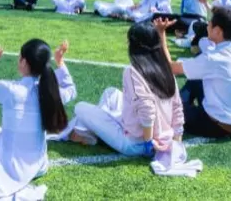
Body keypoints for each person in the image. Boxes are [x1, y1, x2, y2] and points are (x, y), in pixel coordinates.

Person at [0, 39, 75, 200]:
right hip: (39, 166)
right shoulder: (50, 93)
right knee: (3, 133)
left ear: (24, 62)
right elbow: (71, 89)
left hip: (10, 169)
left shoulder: (11, 89)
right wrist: (60, 62)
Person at [65, 23, 184, 159]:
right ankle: (92, 132)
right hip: (160, 138)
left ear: (134, 45)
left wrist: (148, 144)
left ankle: (89, 132)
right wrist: (176, 141)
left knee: (80, 107)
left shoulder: (133, 71)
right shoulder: (166, 69)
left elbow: (147, 108)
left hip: (135, 143)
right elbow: (177, 107)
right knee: (111, 93)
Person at [156, 9, 231, 139]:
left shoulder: (213, 59)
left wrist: (161, 33)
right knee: (195, 80)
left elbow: (170, 68)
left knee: (161, 106)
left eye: (210, 23)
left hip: (216, 126)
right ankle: (180, 104)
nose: (207, 26)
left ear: (217, 31)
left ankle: (176, 106)